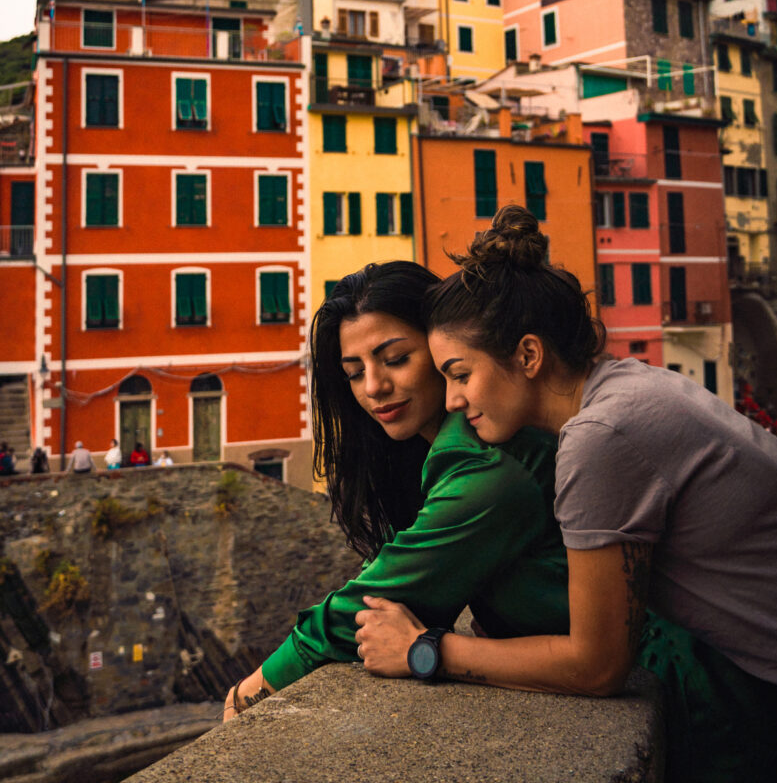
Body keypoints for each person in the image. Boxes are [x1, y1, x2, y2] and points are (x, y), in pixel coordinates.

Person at [354, 206, 777, 780]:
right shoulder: (626, 385)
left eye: (460, 373)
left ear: (527, 356)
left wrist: (424, 650)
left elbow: (597, 666)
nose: (451, 399)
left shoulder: (599, 439)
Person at [222, 261, 570, 720]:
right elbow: (389, 574)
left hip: (672, 695)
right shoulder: (445, 452)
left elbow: (358, 610)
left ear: (441, 342)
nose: (374, 387)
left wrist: (243, 699)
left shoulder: (489, 467)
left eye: (395, 359)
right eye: (353, 371)